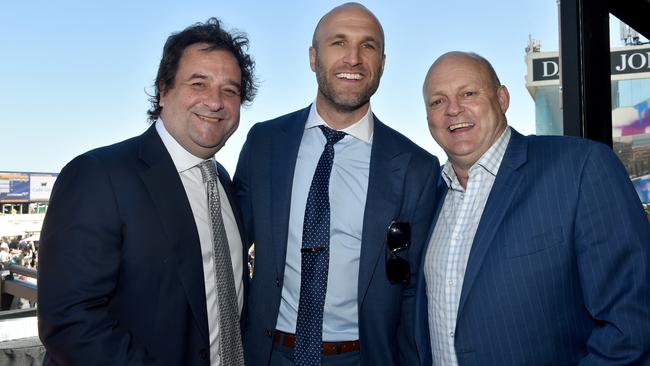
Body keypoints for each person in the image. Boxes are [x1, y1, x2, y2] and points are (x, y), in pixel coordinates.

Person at [38, 18, 256, 365]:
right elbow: (70, 323)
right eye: (198, 83)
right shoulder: (98, 175)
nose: (215, 101)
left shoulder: (223, 183)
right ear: (163, 90)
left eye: (230, 90)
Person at [234, 3, 439, 365]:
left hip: (364, 357)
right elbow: (232, 250)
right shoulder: (264, 143)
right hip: (267, 354)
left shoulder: (417, 168)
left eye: (368, 46)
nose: (353, 58)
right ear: (313, 57)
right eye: (338, 43)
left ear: (383, 64)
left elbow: (415, 294)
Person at [415, 51, 650, 365]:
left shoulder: (580, 168)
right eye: (437, 101)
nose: (453, 109)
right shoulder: (429, 196)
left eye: (469, 93)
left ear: (502, 99)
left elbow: (630, 325)